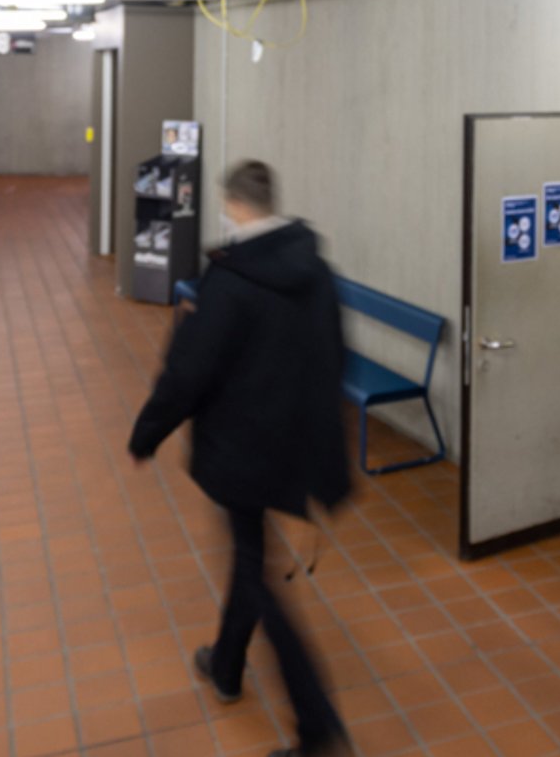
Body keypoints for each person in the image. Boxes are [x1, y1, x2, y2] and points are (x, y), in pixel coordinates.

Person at [129, 161, 351, 757]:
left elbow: (188, 373)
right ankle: (227, 664)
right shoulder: (316, 270)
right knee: (250, 555)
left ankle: (318, 726)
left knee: (257, 576)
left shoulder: (230, 280)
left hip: (243, 452)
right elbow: (335, 358)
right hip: (295, 446)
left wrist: (147, 433)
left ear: (232, 205)